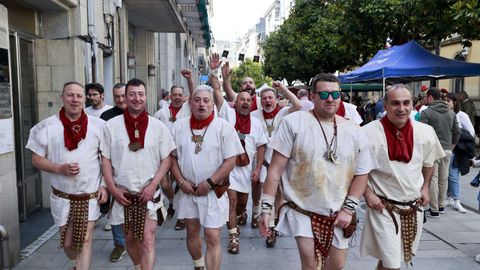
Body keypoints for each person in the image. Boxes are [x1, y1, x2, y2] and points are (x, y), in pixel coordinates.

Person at [259, 73, 377, 269]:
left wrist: (349, 208)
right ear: (312, 97)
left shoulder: (354, 130)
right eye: (323, 94)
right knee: (311, 263)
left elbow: (362, 173)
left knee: (336, 265)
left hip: (339, 210)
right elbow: (275, 170)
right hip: (302, 208)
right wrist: (266, 207)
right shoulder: (293, 123)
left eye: (335, 94)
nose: (330, 99)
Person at [360, 84, 444, 270]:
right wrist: (368, 194)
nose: (402, 108)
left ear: (413, 104)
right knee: (392, 264)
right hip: (383, 208)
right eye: (395, 103)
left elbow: (429, 163)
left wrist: (425, 188)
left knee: (389, 260)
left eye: (406, 103)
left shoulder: (425, 132)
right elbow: (356, 170)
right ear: (386, 105)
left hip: (413, 208)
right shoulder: (366, 133)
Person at [26, 81, 108, 270]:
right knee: (69, 243)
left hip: (89, 195)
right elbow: (36, 159)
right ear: (62, 97)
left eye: (79, 95)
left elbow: (106, 158)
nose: (75, 99)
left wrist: (104, 184)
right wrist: (59, 168)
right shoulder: (45, 127)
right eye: (70, 95)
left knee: (85, 241)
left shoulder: (99, 126)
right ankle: (75, 264)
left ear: (84, 98)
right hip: (62, 197)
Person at [101, 78, 176, 270]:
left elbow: (167, 158)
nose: (136, 98)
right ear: (125, 97)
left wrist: (153, 186)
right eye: (132, 94)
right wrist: (112, 189)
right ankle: (138, 266)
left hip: (149, 193)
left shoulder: (158, 126)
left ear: (146, 97)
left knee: (148, 239)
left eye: (140, 94)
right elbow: (106, 160)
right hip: (122, 195)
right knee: (130, 239)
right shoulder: (111, 126)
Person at [170, 84, 244, 270]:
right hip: (188, 192)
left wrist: (210, 183)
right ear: (190, 104)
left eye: (206, 100)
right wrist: (181, 181)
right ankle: (198, 265)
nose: (201, 104)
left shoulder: (224, 128)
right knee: (192, 233)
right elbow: (171, 158)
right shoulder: (178, 127)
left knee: (212, 236)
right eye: (197, 100)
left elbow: (230, 160)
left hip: (213, 192)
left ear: (212, 104)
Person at [212, 74, 268, 254]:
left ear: (252, 104)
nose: (244, 102)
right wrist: (215, 74)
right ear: (235, 103)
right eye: (241, 99)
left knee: (242, 203)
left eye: (248, 100)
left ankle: (241, 214)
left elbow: (261, 147)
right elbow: (218, 94)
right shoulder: (227, 115)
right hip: (227, 169)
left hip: (245, 171)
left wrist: (258, 168)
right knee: (232, 201)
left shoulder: (257, 123)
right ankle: (233, 238)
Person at [251, 82, 302, 247]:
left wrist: (283, 89)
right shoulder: (254, 115)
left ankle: (274, 225)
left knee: (279, 195)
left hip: (280, 162)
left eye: (270, 98)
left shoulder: (283, 112)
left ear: (276, 99)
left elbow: (298, 105)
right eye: (264, 98)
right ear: (260, 100)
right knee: (266, 193)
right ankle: (269, 226)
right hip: (263, 162)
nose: (267, 101)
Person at [154, 84, 191, 231]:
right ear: (170, 96)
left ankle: (181, 218)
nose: (177, 97)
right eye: (174, 95)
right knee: (165, 185)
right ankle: (171, 202)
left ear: (184, 97)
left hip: (182, 154)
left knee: (182, 184)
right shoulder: (161, 113)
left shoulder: (187, 110)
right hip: (165, 154)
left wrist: (189, 79)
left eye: (179, 95)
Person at [99, 83, 128, 262]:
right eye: (116, 96)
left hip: (135, 172)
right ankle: (119, 244)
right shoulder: (106, 117)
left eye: (123, 95)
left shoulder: (142, 114)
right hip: (112, 172)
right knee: (115, 212)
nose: (120, 99)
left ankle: (136, 241)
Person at [420, 87, 460, 218]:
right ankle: (441, 205)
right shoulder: (451, 113)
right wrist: (452, 146)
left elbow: (422, 134)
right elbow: (457, 132)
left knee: (433, 179)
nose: (425, 99)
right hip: (447, 149)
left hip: (432, 150)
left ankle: (434, 209)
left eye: (426, 96)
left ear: (430, 97)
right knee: (444, 178)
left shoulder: (426, 113)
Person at [445, 93, 475, 213]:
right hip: (448, 148)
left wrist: (457, 135)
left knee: (453, 175)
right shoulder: (446, 114)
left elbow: (471, 133)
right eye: (444, 100)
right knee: (447, 175)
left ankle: (456, 199)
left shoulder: (461, 115)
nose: (445, 102)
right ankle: (449, 197)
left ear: (454, 103)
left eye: (448, 100)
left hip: (457, 150)